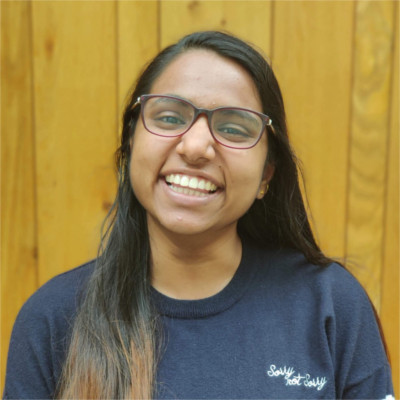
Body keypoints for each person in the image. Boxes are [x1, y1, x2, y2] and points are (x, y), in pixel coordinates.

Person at [3, 31, 394, 400]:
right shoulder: (52, 320)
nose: (195, 147)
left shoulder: (331, 304)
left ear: (266, 175)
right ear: (130, 144)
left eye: (234, 128)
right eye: (170, 118)